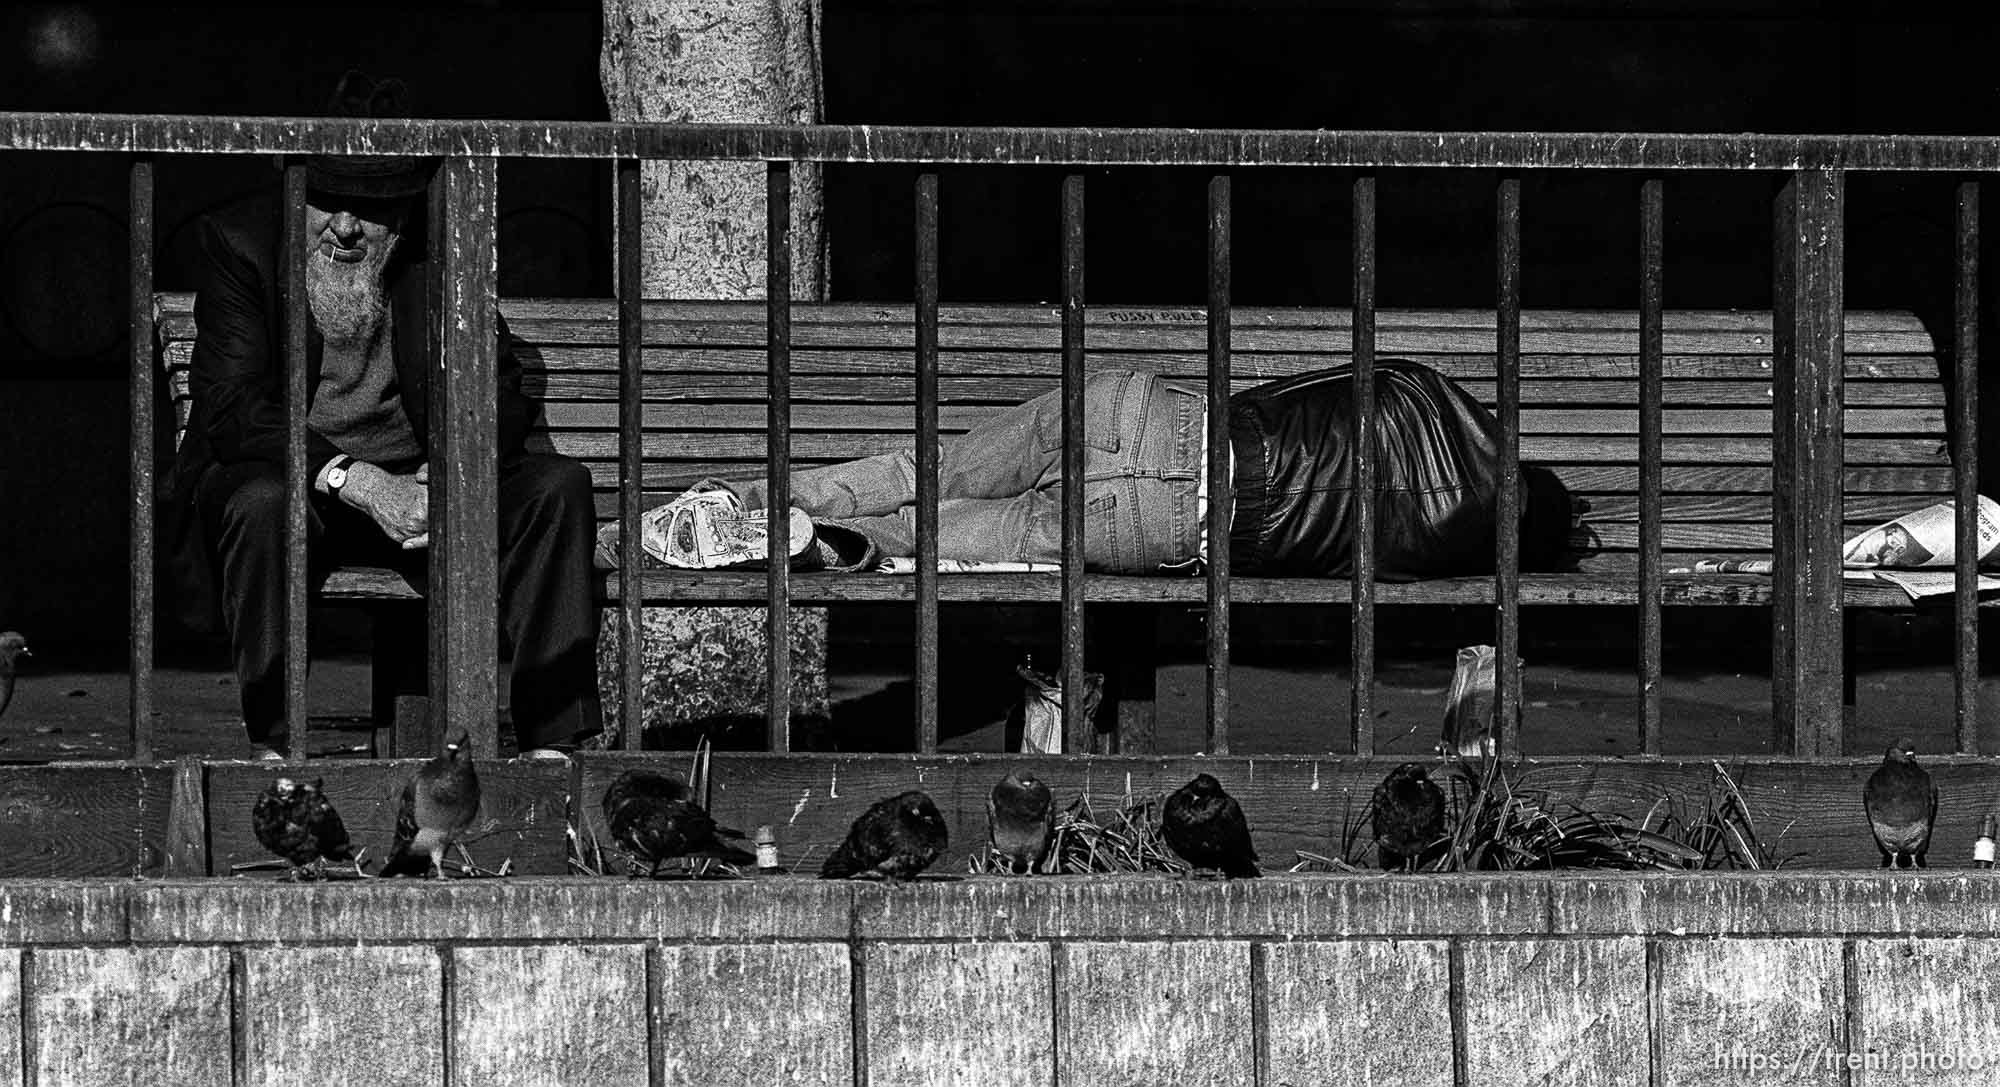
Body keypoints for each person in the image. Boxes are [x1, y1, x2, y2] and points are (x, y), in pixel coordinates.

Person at [161, 72, 601, 760]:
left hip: (424, 488)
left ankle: (553, 748)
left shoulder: (440, 244)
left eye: (367, 210)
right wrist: (355, 481)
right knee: (260, 501)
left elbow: (503, 386)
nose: (343, 226)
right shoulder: (242, 244)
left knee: (557, 489)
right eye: (327, 203)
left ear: (400, 214)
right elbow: (231, 409)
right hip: (309, 485)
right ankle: (278, 750)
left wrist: (445, 475)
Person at [636, 360, 1574, 580]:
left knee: (935, 464)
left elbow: (1318, 383)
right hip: (1165, 529)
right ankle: (835, 548)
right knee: (944, 539)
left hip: (1152, 418)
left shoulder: (1424, 394)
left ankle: (750, 504)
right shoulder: (1438, 546)